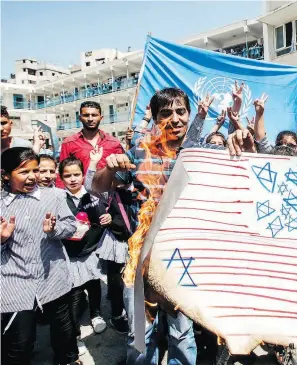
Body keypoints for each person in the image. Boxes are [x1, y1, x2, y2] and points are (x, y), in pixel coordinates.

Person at [92, 87, 225, 365]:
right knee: (140, 333)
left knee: (182, 333)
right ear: (154, 117)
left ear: (189, 115)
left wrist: (241, 144)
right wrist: (109, 166)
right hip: (141, 258)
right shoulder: (140, 153)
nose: (175, 119)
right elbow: (99, 187)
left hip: (184, 259)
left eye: (181, 111)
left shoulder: (205, 155)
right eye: (166, 113)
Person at [1, 147, 80, 365]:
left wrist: (54, 231)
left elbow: (71, 226)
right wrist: (1, 240)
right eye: (23, 172)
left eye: (35, 170)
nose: (32, 177)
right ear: (5, 174)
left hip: (52, 278)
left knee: (64, 332)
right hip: (14, 284)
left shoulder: (54, 196)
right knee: (19, 343)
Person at [59, 156, 110, 355]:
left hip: (91, 251)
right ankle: (75, 330)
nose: (72, 179)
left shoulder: (92, 194)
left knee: (94, 284)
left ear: (82, 175)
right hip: (70, 255)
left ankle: (96, 314)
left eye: (76, 174)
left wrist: (106, 218)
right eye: (67, 176)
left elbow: (104, 213)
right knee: (75, 292)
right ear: (60, 178)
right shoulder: (59, 198)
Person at [85, 146, 132, 334]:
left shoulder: (137, 192)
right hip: (115, 243)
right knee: (115, 281)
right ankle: (116, 315)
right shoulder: (107, 194)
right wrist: (94, 163)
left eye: (122, 179)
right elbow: (89, 185)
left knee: (132, 282)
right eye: (115, 179)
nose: (118, 184)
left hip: (135, 242)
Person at [56, 101, 124, 187]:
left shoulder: (113, 143)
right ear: (80, 118)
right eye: (86, 115)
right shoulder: (69, 143)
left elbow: (122, 170)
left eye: (94, 115)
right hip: (81, 194)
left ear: (101, 117)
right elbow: (62, 172)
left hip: (108, 192)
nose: (90, 119)